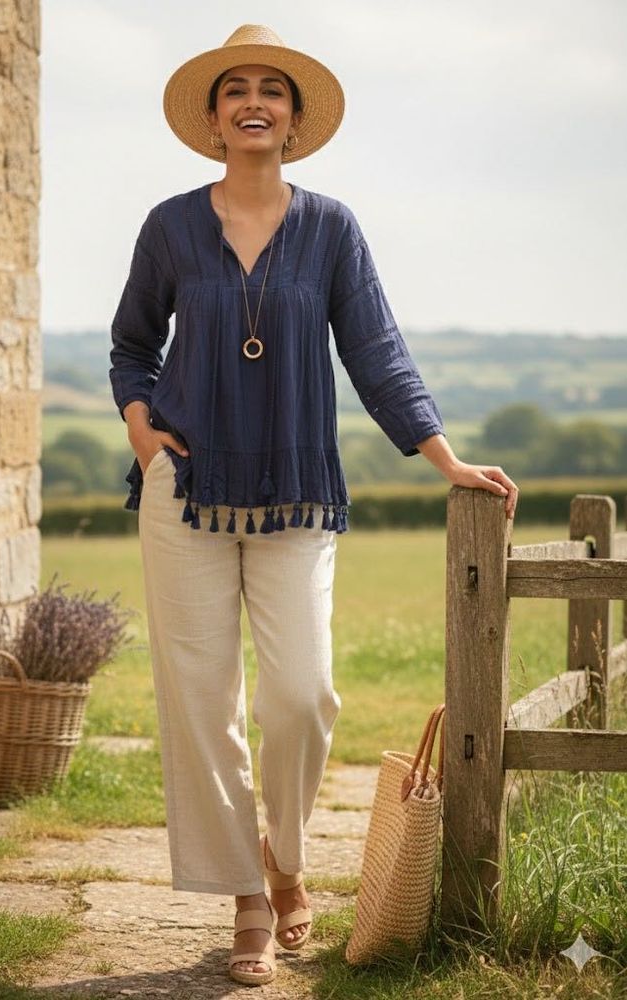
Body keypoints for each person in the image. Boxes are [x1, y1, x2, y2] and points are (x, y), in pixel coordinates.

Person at [109, 24, 519, 987]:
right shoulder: (170, 226)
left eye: (272, 91)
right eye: (235, 90)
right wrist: (138, 424)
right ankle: (247, 900)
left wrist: (444, 460)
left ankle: (284, 858)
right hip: (185, 492)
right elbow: (131, 341)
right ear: (212, 119)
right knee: (201, 707)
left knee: (302, 696)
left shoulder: (331, 227)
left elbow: (376, 351)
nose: (254, 102)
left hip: (295, 493)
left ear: (292, 119)